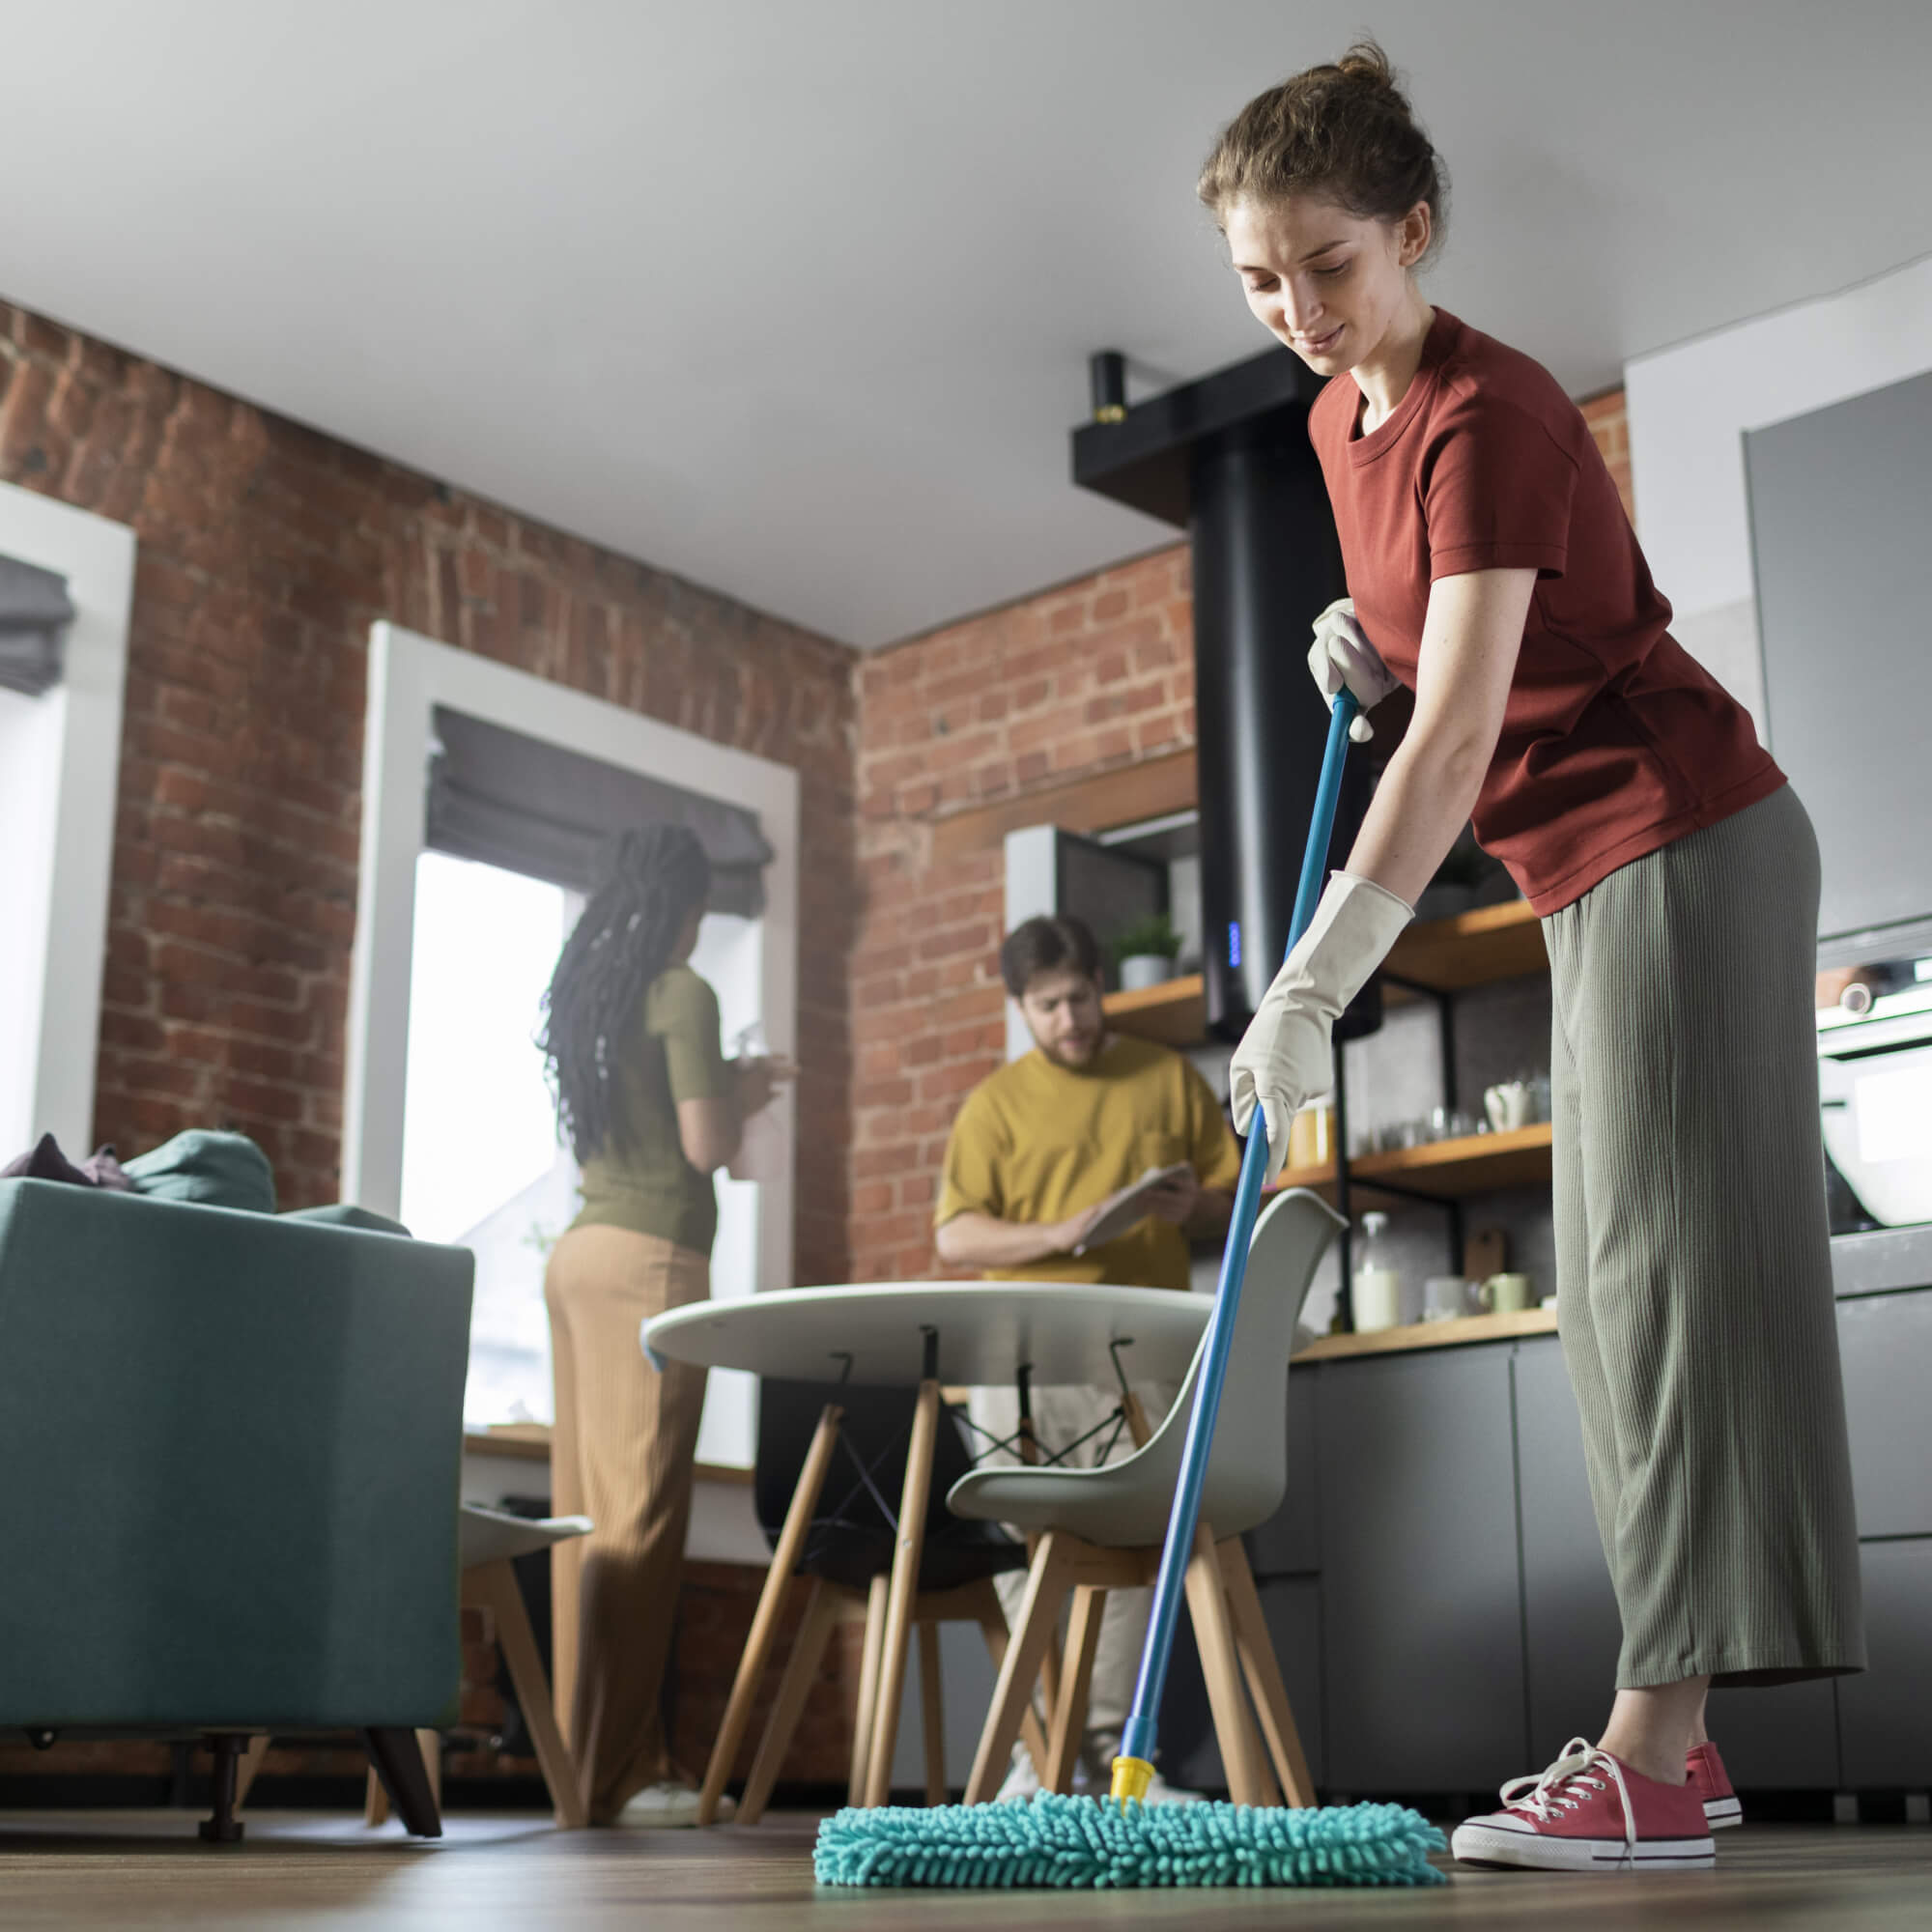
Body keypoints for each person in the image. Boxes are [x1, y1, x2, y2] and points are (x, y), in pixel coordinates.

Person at [1200, 43, 1864, 1872]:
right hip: (1589, 870)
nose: (1298, 311)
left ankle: (1655, 1757)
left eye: (1328, 265)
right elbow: (1439, 654)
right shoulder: (1344, 427)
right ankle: (1689, 1755)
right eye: (1260, 281)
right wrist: (1369, 629)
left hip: (1687, 834)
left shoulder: (1491, 413)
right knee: (1618, 1287)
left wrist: (1317, 974)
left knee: (1663, 1283)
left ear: (1413, 230)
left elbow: (1461, 730)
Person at [934, 913, 1243, 1799]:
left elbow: (1233, 1192)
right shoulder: (994, 1105)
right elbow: (956, 1234)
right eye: (1046, 1006)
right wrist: (1059, 1231)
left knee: (1137, 1542)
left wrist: (1198, 1209)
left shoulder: (1165, 1076)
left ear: (1100, 983)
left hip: (1143, 1351)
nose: (1069, 1018)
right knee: (1021, 1544)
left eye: (1079, 997)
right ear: (1021, 1010)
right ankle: (1043, 1749)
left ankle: (1115, 1755)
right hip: (1017, 1355)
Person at [537, 823, 790, 1827]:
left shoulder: (590, 998)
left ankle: (579, 1768)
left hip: (580, 1255)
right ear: (686, 902)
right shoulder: (684, 989)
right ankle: (622, 1775)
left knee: (584, 1524)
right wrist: (748, 1088)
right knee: (641, 1521)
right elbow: (707, 1142)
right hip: (653, 1259)